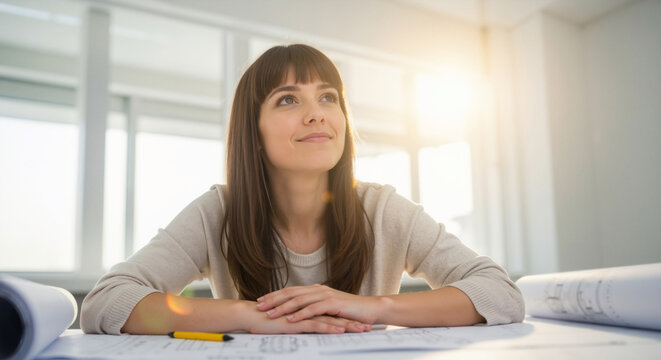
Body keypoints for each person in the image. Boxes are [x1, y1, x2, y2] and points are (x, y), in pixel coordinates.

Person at [80, 44, 524, 335]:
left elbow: (500, 293)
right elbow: (106, 303)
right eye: (288, 99)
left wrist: (370, 308)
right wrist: (251, 317)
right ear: (253, 131)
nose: (317, 114)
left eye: (328, 97)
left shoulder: (383, 209)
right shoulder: (217, 212)